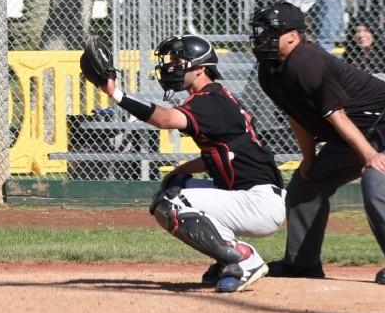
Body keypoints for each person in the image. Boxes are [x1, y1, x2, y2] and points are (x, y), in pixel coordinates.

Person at [80, 35, 285, 293]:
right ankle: (227, 259)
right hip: (250, 194)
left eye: (179, 61)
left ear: (200, 69)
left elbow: (165, 119)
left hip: (258, 203)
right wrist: (180, 171)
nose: (171, 67)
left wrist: (116, 94)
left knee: (172, 203)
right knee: (176, 185)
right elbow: (220, 156)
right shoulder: (215, 97)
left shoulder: (210, 100)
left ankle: (243, 258)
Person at [250, 1, 385, 285]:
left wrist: (370, 155)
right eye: (261, 32)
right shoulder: (268, 71)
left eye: (271, 32)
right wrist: (309, 159)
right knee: (305, 184)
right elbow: (297, 116)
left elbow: (337, 114)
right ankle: (302, 263)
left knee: (376, 179)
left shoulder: (306, 60)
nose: (262, 38)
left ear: (293, 36)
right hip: (352, 132)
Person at [343, 16, 385, 84]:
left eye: (366, 31)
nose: (361, 35)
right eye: (357, 31)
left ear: (374, 32)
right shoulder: (350, 52)